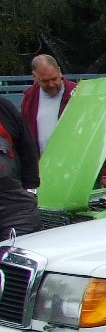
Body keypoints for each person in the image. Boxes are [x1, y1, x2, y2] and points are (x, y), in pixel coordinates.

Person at [20, 54, 106, 185]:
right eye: (45, 81)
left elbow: (99, 130)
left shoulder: (81, 94)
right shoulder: (29, 99)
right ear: (34, 76)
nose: (51, 84)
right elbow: (24, 138)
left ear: (60, 71)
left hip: (80, 171)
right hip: (45, 173)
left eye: (54, 79)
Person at [0, 94, 42, 237]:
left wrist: (31, 187)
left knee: (18, 251)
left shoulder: (5, 108)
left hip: (14, 202)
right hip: (15, 200)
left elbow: (27, 146)